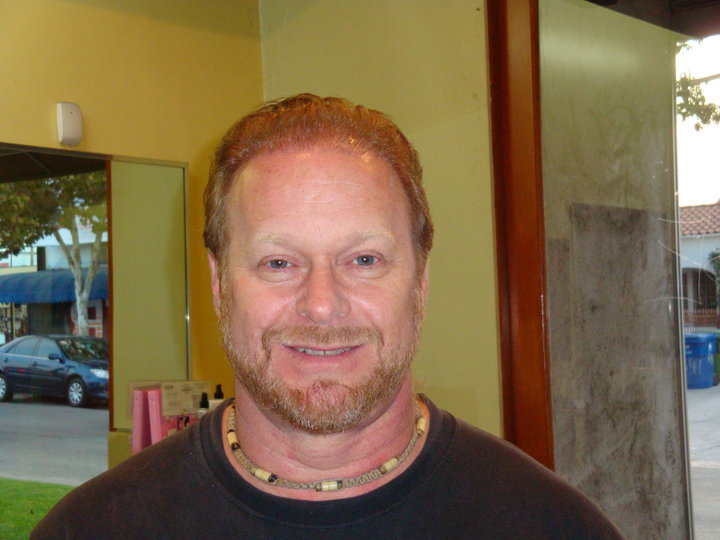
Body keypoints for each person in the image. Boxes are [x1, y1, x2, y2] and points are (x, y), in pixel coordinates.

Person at [32, 94, 625, 539]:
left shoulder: (552, 526)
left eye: (364, 259)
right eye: (279, 262)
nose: (321, 304)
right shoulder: (92, 528)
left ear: (419, 282)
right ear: (218, 285)